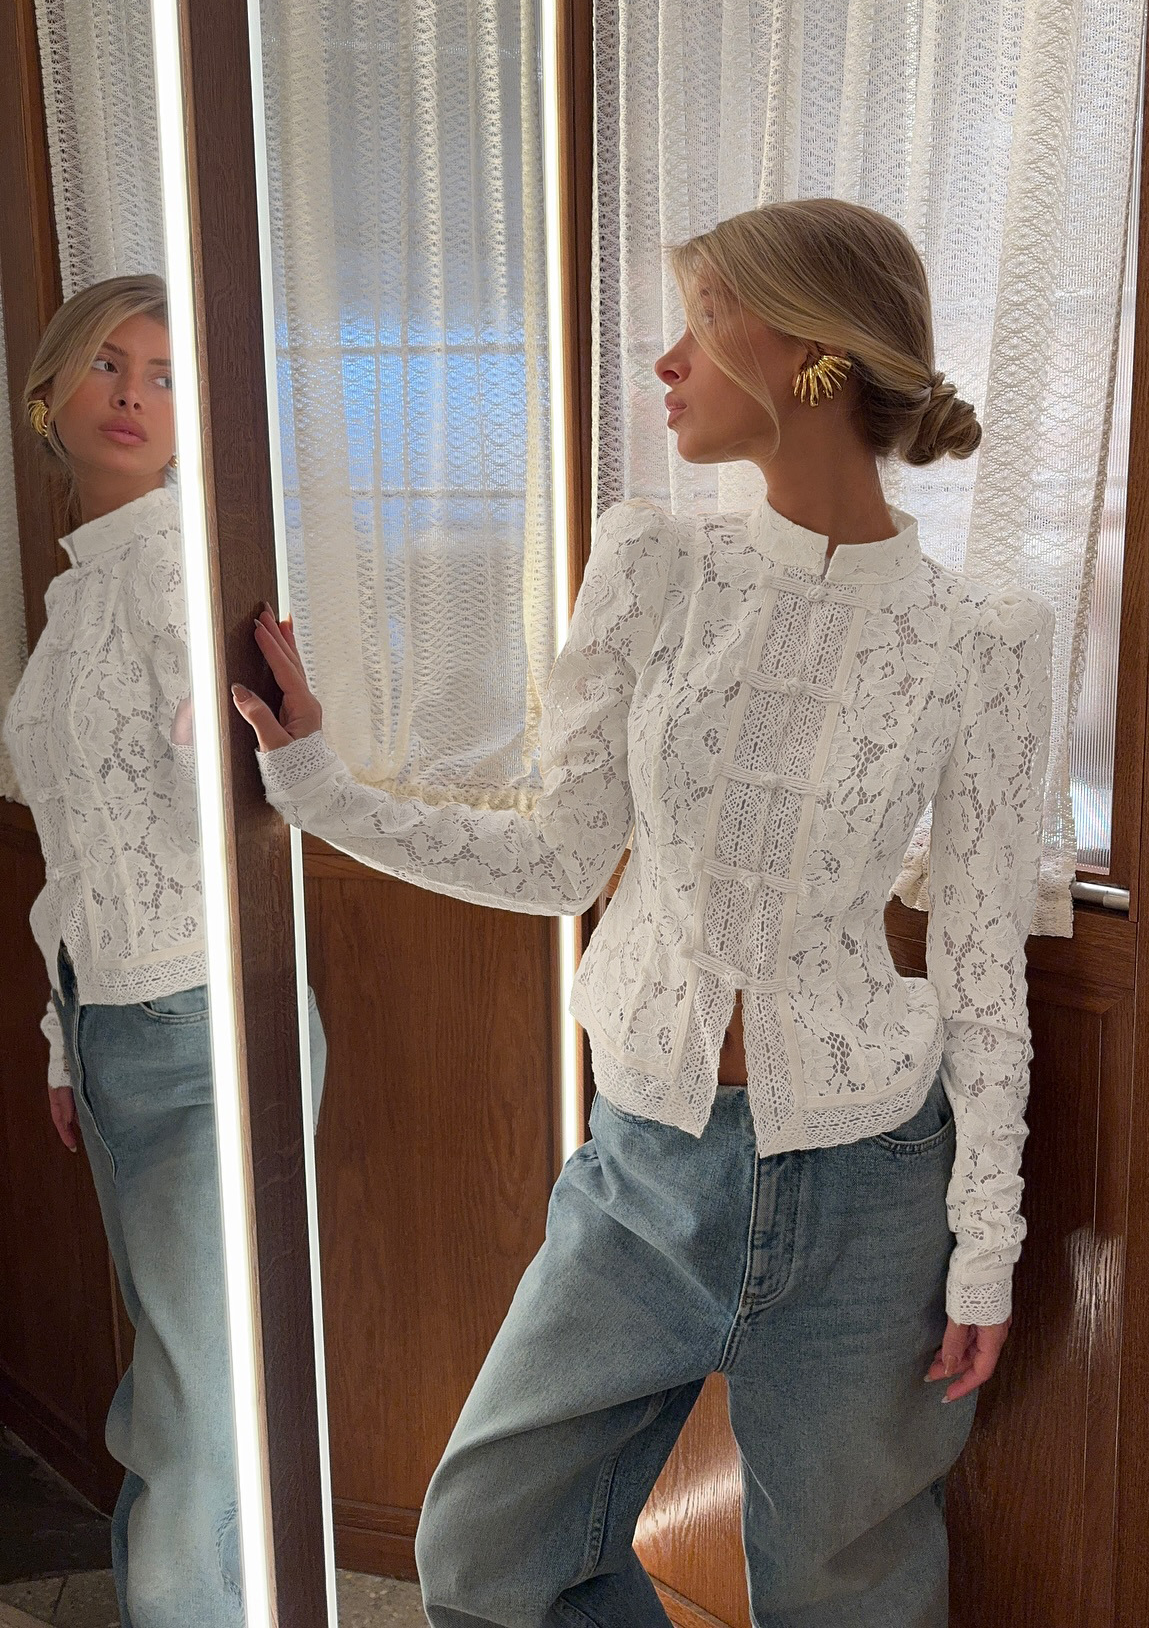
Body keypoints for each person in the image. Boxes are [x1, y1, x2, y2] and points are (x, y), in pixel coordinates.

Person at [235, 199, 1052, 1628]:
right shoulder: (656, 564)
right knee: (488, 1549)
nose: (669, 362)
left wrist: (987, 1241)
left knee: (846, 1597)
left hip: (871, 1186)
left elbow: (984, 966)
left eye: (706, 320)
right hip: (646, 1167)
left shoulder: (980, 640)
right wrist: (319, 785)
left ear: (812, 356)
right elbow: (563, 860)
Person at [3, 274, 324, 1628]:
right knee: (184, 1386)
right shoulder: (81, 590)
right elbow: (77, 851)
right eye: (106, 365)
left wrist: (258, 742)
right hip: (115, 1025)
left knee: (196, 1408)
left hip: (204, 1024)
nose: (134, 395)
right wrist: (63, 1040)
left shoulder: (190, 568)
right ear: (48, 399)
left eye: (166, 372)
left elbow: (256, 801)